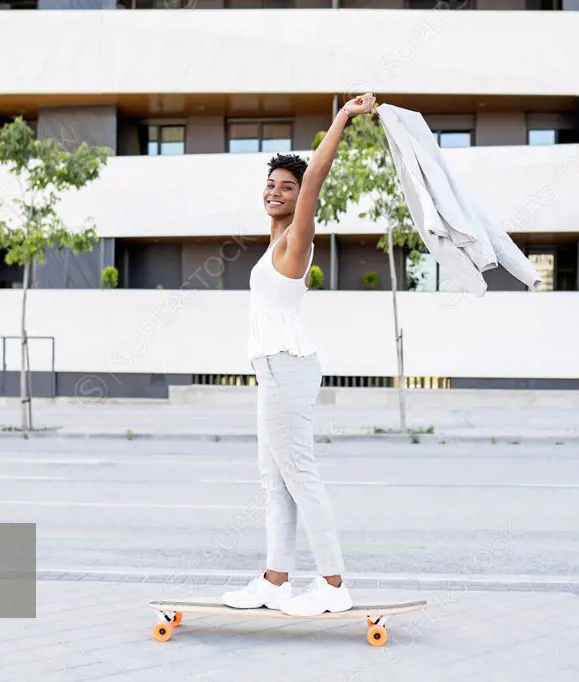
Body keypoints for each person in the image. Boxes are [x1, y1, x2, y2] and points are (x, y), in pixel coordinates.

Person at [222, 93, 377, 617]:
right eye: (270, 185)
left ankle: (333, 585)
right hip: (274, 370)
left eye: (286, 188)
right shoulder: (275, 242)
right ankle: (275, 580)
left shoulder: (297, 241)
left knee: (300, 474)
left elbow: (315, 176)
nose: (276, 192)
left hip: (287, 367)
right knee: (275, 479)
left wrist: (344, 117)